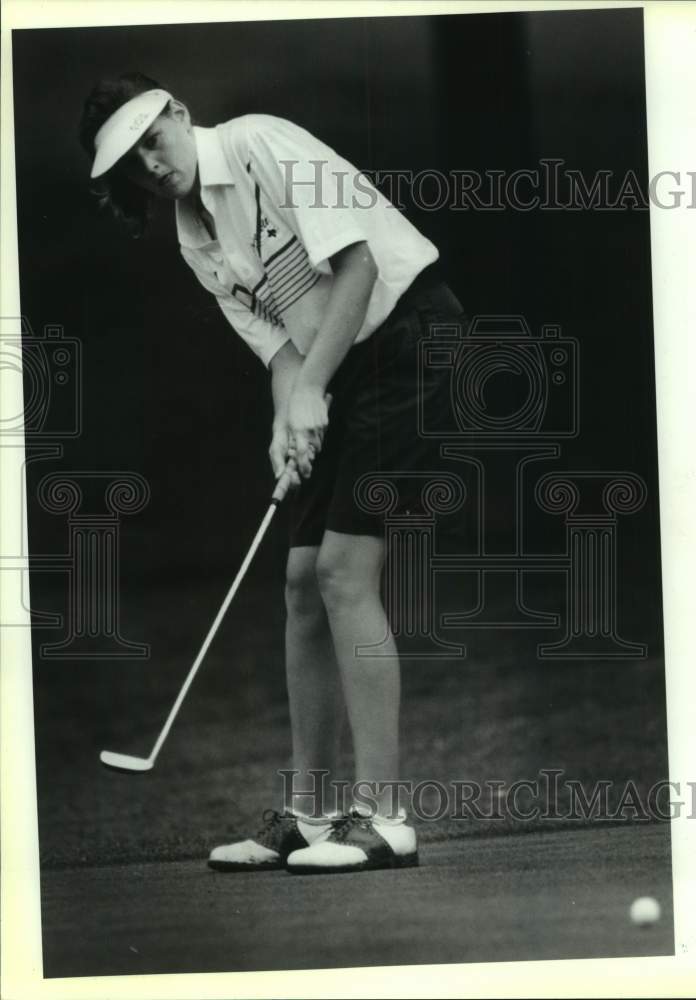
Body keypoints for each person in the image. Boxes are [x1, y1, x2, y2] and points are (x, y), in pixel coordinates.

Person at [79, 72, 465, 875]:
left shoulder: (259, 141)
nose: (152, 165)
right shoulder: (193, 234)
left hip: (408, 341)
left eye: (153, 140)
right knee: (298, 583)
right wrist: (286, 422)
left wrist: (314, 390)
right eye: (131, 163)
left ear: (180, 115)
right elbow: (282, 353)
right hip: (335, 365)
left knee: (342, 571)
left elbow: (357, 269)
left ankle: (385, 817)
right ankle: (313, 815)